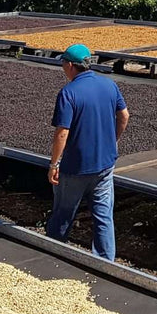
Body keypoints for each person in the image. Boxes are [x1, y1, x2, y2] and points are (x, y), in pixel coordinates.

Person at [45, 43, 129, 260]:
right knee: (103, 215)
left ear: (70, 65)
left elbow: (62, 132)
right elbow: (124, 116)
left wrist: (54, 164)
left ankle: (53, 252)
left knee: (64, 212)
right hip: (105, 164)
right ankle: (106, 261)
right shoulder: (109, 85)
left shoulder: (68, 93)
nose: (63, 68)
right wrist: (113, 139)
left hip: (76, 166)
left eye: (63, 63)